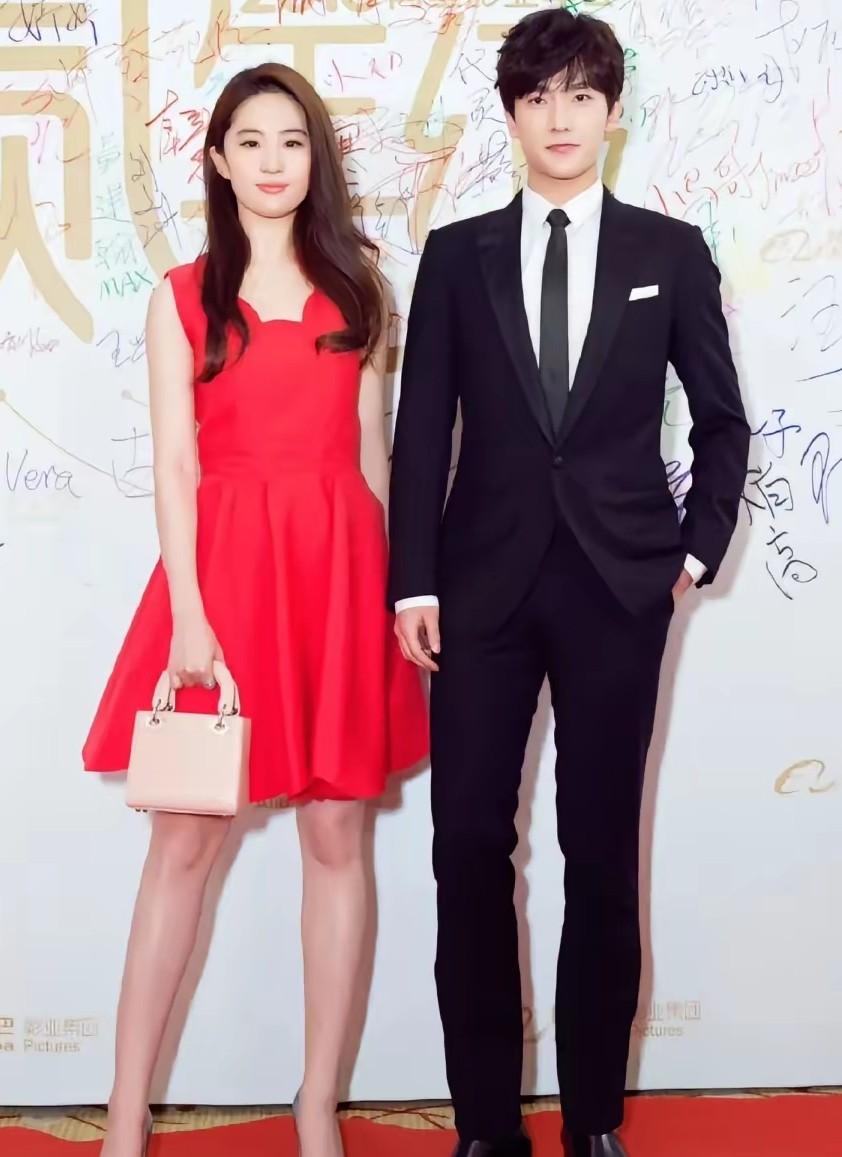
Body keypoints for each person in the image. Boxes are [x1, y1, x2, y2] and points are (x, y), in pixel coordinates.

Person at [388, 10, 750, 1157]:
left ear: (611, 113)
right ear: (510, 113)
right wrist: (411, 582)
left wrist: (690, 552)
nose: (559, 117)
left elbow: (722, 420)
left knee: (598, 852)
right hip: (476, 591)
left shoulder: (667, 251)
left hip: (616, 589)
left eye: (580, 96)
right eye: (538, 96)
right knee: (463, 846)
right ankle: (484, 1124)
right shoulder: (457, 255)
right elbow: (418, 431)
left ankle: (592, 1116)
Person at [83, 62, 428, 1157]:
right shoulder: (181, 295)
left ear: (314, 159)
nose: (274, 161)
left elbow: (372, 457)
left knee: (337, 836)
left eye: (292, 141)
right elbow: (175, 469)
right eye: (251, 141)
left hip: (340, 579)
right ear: (219, 160)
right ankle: (126, 1114)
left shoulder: (360, 289)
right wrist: (190, 616)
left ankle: (316, 1102)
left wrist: (391, 597)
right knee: (182, 847)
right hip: (223, 582)